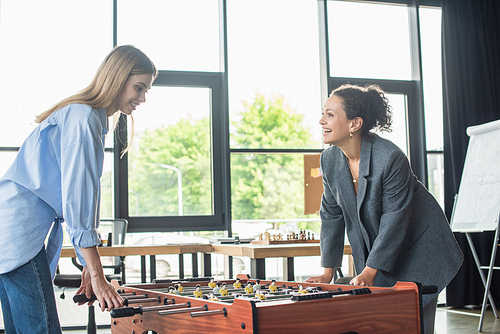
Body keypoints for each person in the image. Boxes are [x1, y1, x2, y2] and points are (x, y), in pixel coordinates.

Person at [0, 45, 157, 333]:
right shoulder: (83, 118)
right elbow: (78, 199)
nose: (143, 98)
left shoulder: (85, 117)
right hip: (19, 234)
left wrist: (88, 263)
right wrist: (96, 273)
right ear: (118, 78)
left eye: (146, 90)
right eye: (139, 87)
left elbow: (77, 199)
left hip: (10, 231)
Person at [305, 84, 463, 334]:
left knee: (414, 324)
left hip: (420, 247)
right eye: (323, 113)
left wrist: (369, 270)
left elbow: (394, 219)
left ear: (354, 124)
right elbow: (331, 215)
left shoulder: (389, 157)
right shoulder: (329, 159)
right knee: (376, 322)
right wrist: (327, 272)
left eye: (330, 114)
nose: (321, 120)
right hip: (386, 251)